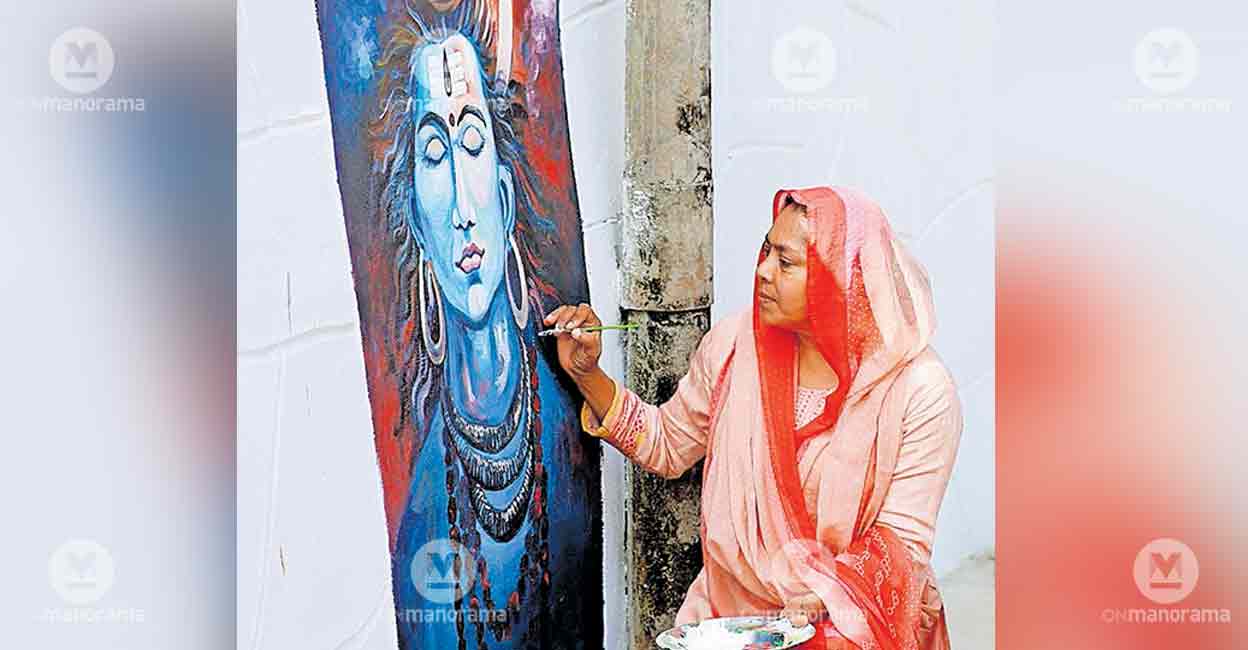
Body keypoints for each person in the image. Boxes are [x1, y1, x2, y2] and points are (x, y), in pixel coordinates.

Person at [544, 186, 962, 650]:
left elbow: (902, 545)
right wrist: (586, 374)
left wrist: (823, 598)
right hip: (731, 627)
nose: (762, 271)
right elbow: (666, 444)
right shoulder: (733, 348)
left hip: (854, 634)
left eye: (785, 262)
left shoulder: (919, 390)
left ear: (838, 276)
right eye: (766, 251)